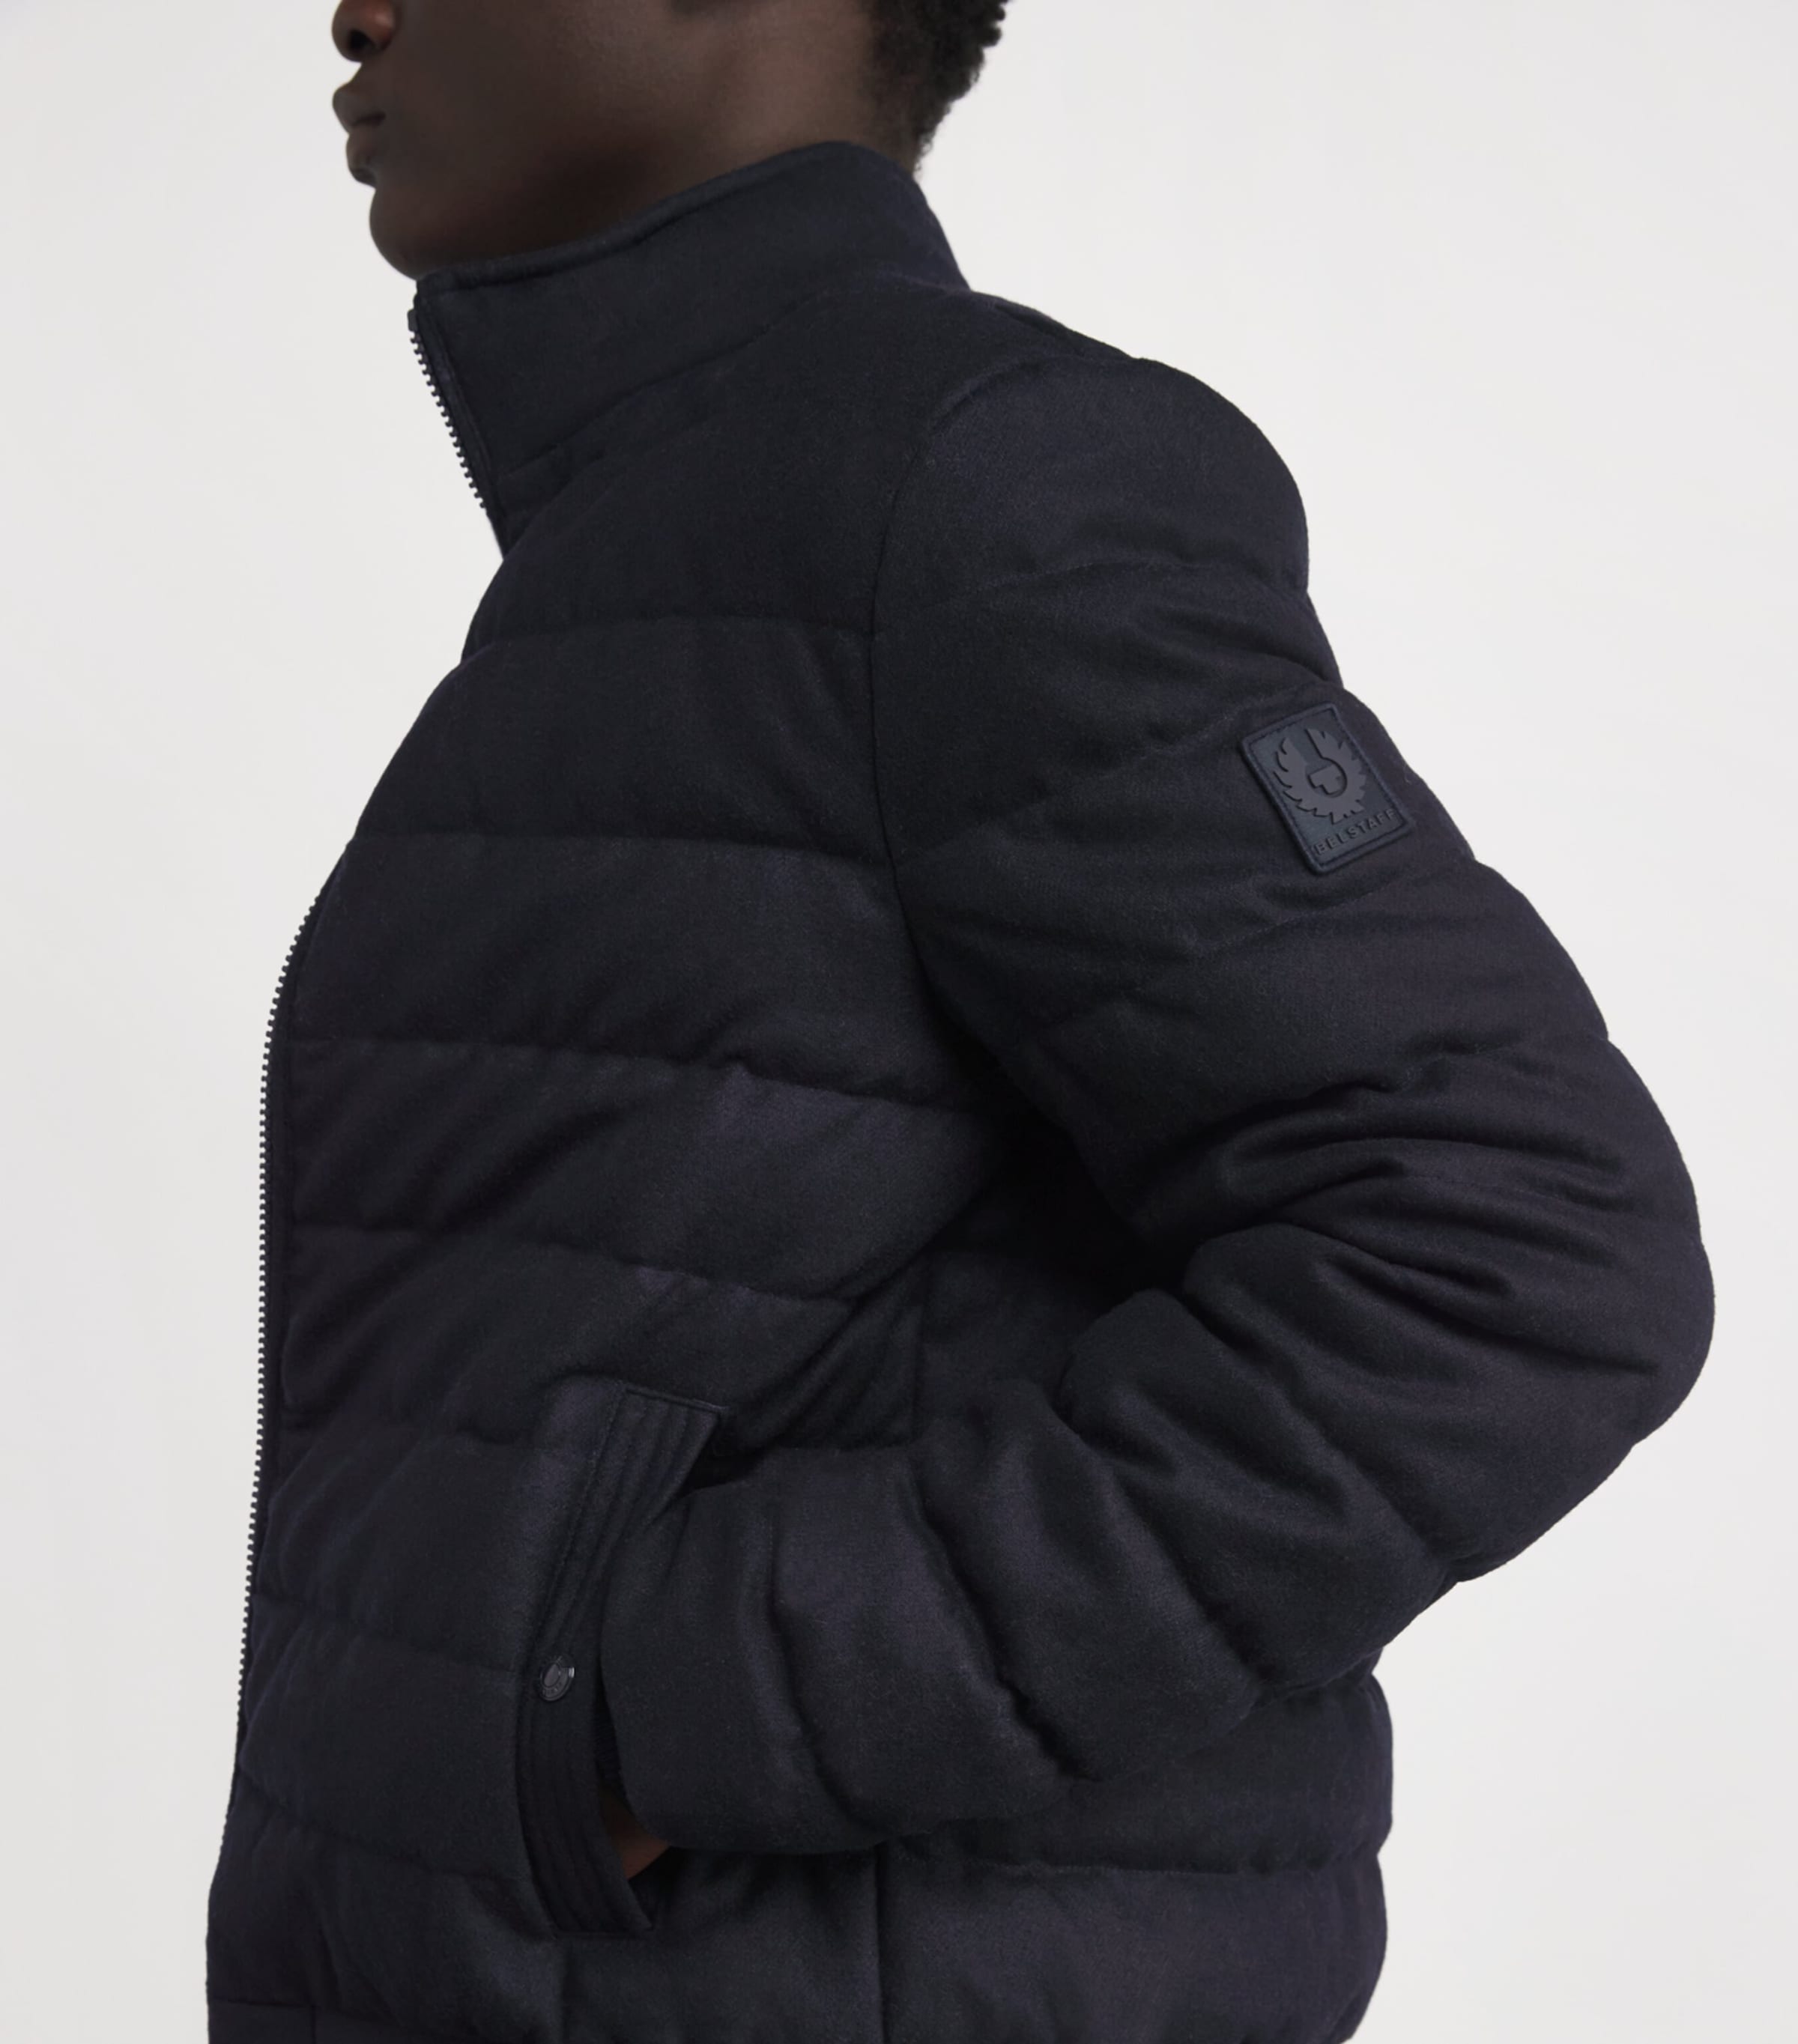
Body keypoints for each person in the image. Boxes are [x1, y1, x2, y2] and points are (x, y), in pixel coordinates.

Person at [203, 3, 1715, 2040]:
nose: (359, 6)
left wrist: (665, 1712)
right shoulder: (680, 542)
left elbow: (1518, 1251)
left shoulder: (966, 481)